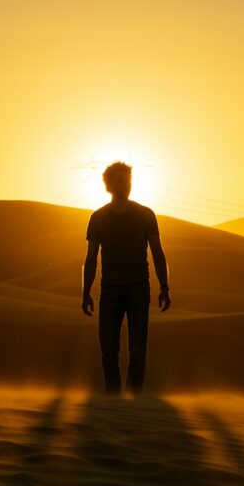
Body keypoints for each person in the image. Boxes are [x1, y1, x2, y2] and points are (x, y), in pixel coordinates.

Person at [81, 161, 171, 395]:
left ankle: (134, 404)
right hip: (109, 290)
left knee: (138, 351)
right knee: (109, 352)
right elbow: (91, 258)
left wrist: (164, 286)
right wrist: (86, 292)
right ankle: (114, 404)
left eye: (128, 181)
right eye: (120, 181)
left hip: (138, 289)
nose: (126, 186)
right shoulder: (98, 218)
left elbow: (157, 251)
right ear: (109, 185)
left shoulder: (146, 214)